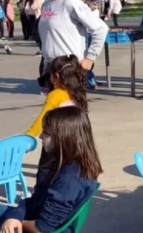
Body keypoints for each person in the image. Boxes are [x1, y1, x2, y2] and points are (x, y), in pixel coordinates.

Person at [0, 107, 102, 233]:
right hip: (33, 215)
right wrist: (14, 215)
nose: (41, 136)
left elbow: (42, 228)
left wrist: (15, 221)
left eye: (46, 134)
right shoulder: (72, 163)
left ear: (64, 138)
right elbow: (37, 199)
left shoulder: (70, 179)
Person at [36, 0, 108, 89]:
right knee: (54, 107)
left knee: (68, 107)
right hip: (51, 67)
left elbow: (100, 28)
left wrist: (90, 58)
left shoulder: (70, 2)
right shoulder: (46, 5)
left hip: (69, 68)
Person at [25, 55, 90, 189]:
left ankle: (41, 197)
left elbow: (43, 119)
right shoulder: (78, 91)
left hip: (55, 142)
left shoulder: (56, 94)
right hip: (74, 140)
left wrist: (27, 136)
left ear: (56, 76)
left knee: (45, 173)